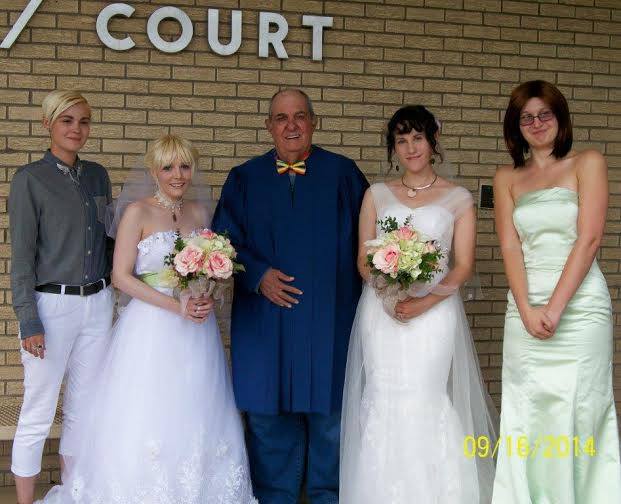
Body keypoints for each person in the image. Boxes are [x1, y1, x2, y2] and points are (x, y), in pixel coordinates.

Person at [38, 134, 256, 503]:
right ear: (154, 170)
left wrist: (207, 296)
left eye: (185, 166)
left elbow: (213, 271)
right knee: (149, 409)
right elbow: (122, 276)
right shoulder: (137, 212)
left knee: (196, 406)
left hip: (197, 332)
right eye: (168, 166)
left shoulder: (200, 214)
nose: (178, 175)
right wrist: (177, 307)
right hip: (151, 328)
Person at [212, 88, 368, 503]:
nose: (292, 125)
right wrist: (258, 274)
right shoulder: (243, 178)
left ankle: (327, 496)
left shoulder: (344, 175)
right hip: (266, 321)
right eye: (282, 118)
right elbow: (223, 242)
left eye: (300, 116)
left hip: (328, 319)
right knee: (267, 415)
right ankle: (273, 496)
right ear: (269, 127)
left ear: (314, 123)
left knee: (330, 416)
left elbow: (369, 241)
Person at [340, 105, 497, 503]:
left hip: (434, 315)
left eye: (418, 138)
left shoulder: (458, 198)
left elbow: (462, 266)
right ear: (394, 147)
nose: (410, 148)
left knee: (426, 397)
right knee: (382, 397)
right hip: (383, 311)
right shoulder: (375, 194)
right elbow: (362, 258)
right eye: (401, 140)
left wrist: (424, 302)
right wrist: (389, 292)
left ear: (433, 141)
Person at [492, 80, 621, 503]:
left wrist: (556, 307)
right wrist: (528, 309)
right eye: (526, 117)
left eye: (544, 113)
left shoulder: (588, 162)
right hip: (525, 307)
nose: (536, 123)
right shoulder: (507, 176)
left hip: (580, 308)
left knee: (581, 411)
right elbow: (510, 246)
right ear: (516, 126)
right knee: (527, 413)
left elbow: (589, 239)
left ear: (560, 117)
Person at [9, 90, 115, 504]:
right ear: (48, 124)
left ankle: (73, 494)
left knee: (84, 407)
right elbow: (21, 258)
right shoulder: (30, 180)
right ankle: (24, 501)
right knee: (38, 407)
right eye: (67, 120)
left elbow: (107, 242)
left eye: (84, 121)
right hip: (51, 307)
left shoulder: (98, 176)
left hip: (98, 303)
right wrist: (28, 320)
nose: (77, 129)